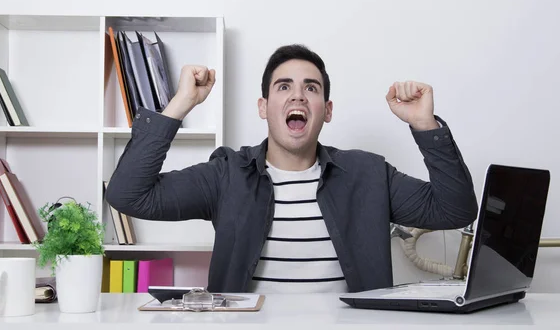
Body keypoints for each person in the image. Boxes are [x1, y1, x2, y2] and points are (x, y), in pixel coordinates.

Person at [105, 44, 478, 294]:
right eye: (284, 87)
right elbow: (129, 195)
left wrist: (424, 124)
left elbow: (456, 209)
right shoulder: (227, 174)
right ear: (264, 107)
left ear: (326, 111)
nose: (298, 95)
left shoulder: (368, 174)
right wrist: (182, 103)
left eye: (310, 88)